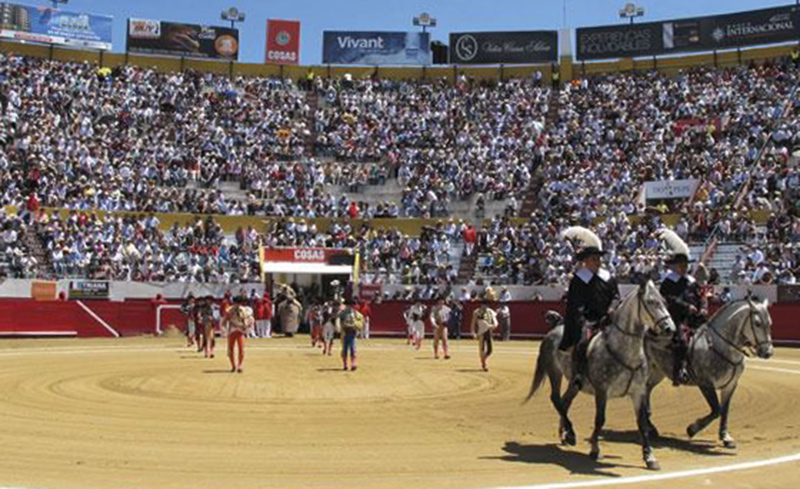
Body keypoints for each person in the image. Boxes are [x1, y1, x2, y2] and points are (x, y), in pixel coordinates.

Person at [559, 227, 620, 389]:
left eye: (598, 259)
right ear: (585, 261)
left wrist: (612, 308)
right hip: (587, 318)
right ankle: (578, 374)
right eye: (594, 259)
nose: (597, 262)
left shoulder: (608, 277)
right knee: (582, 341)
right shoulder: (578, 279)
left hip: (608, 317)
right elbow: (574, 303)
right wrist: (583, 316)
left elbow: (616, 296)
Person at [659, 229, 707, 385]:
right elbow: (669, 299)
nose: (684, 267)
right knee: (681, 341)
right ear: (674, 266)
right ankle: (679, 371)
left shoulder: (691, 281)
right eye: (681, 265)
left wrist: (703, 307)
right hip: (676, 318)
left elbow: (700, 295)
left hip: (694, 317)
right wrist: (687, 307)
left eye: (685, 265)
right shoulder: (668, 282)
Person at [223, 297, 255, 373]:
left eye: (239, 303)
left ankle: (239, 365)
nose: (237, 304)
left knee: (241, 349)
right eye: (236, 303)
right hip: (232, 331)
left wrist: (247, 326)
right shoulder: (229, 310)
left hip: (240, 331)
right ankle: (233, 365)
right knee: (231, 349)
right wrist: (224, 330)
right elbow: (224, 321)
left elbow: (251, 320)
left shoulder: (245, 310)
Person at [470, 289, 498, 371]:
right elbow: (473, 324)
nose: (485, 306)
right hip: (481, 333)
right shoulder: (476, 312)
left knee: (490, 350)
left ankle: (483, 359)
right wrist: (473, 333)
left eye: (486, 304)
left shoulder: (490, 312)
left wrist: (494, 325)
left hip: (489, 332)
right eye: (483, 304)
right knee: (482, 349)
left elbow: (495, 321)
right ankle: (484, 364)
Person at [337, 298, 364, 371]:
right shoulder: (343, 313)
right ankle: (345, 364)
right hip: (345, 333)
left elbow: (361, 325)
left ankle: (353, 363)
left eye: (352, 305)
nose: (351, 306)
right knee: (345, 349)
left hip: (352, 333)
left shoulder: (358, 315)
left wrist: (354, 325)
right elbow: (338, 318)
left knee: (352, 349)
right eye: (349, 305)